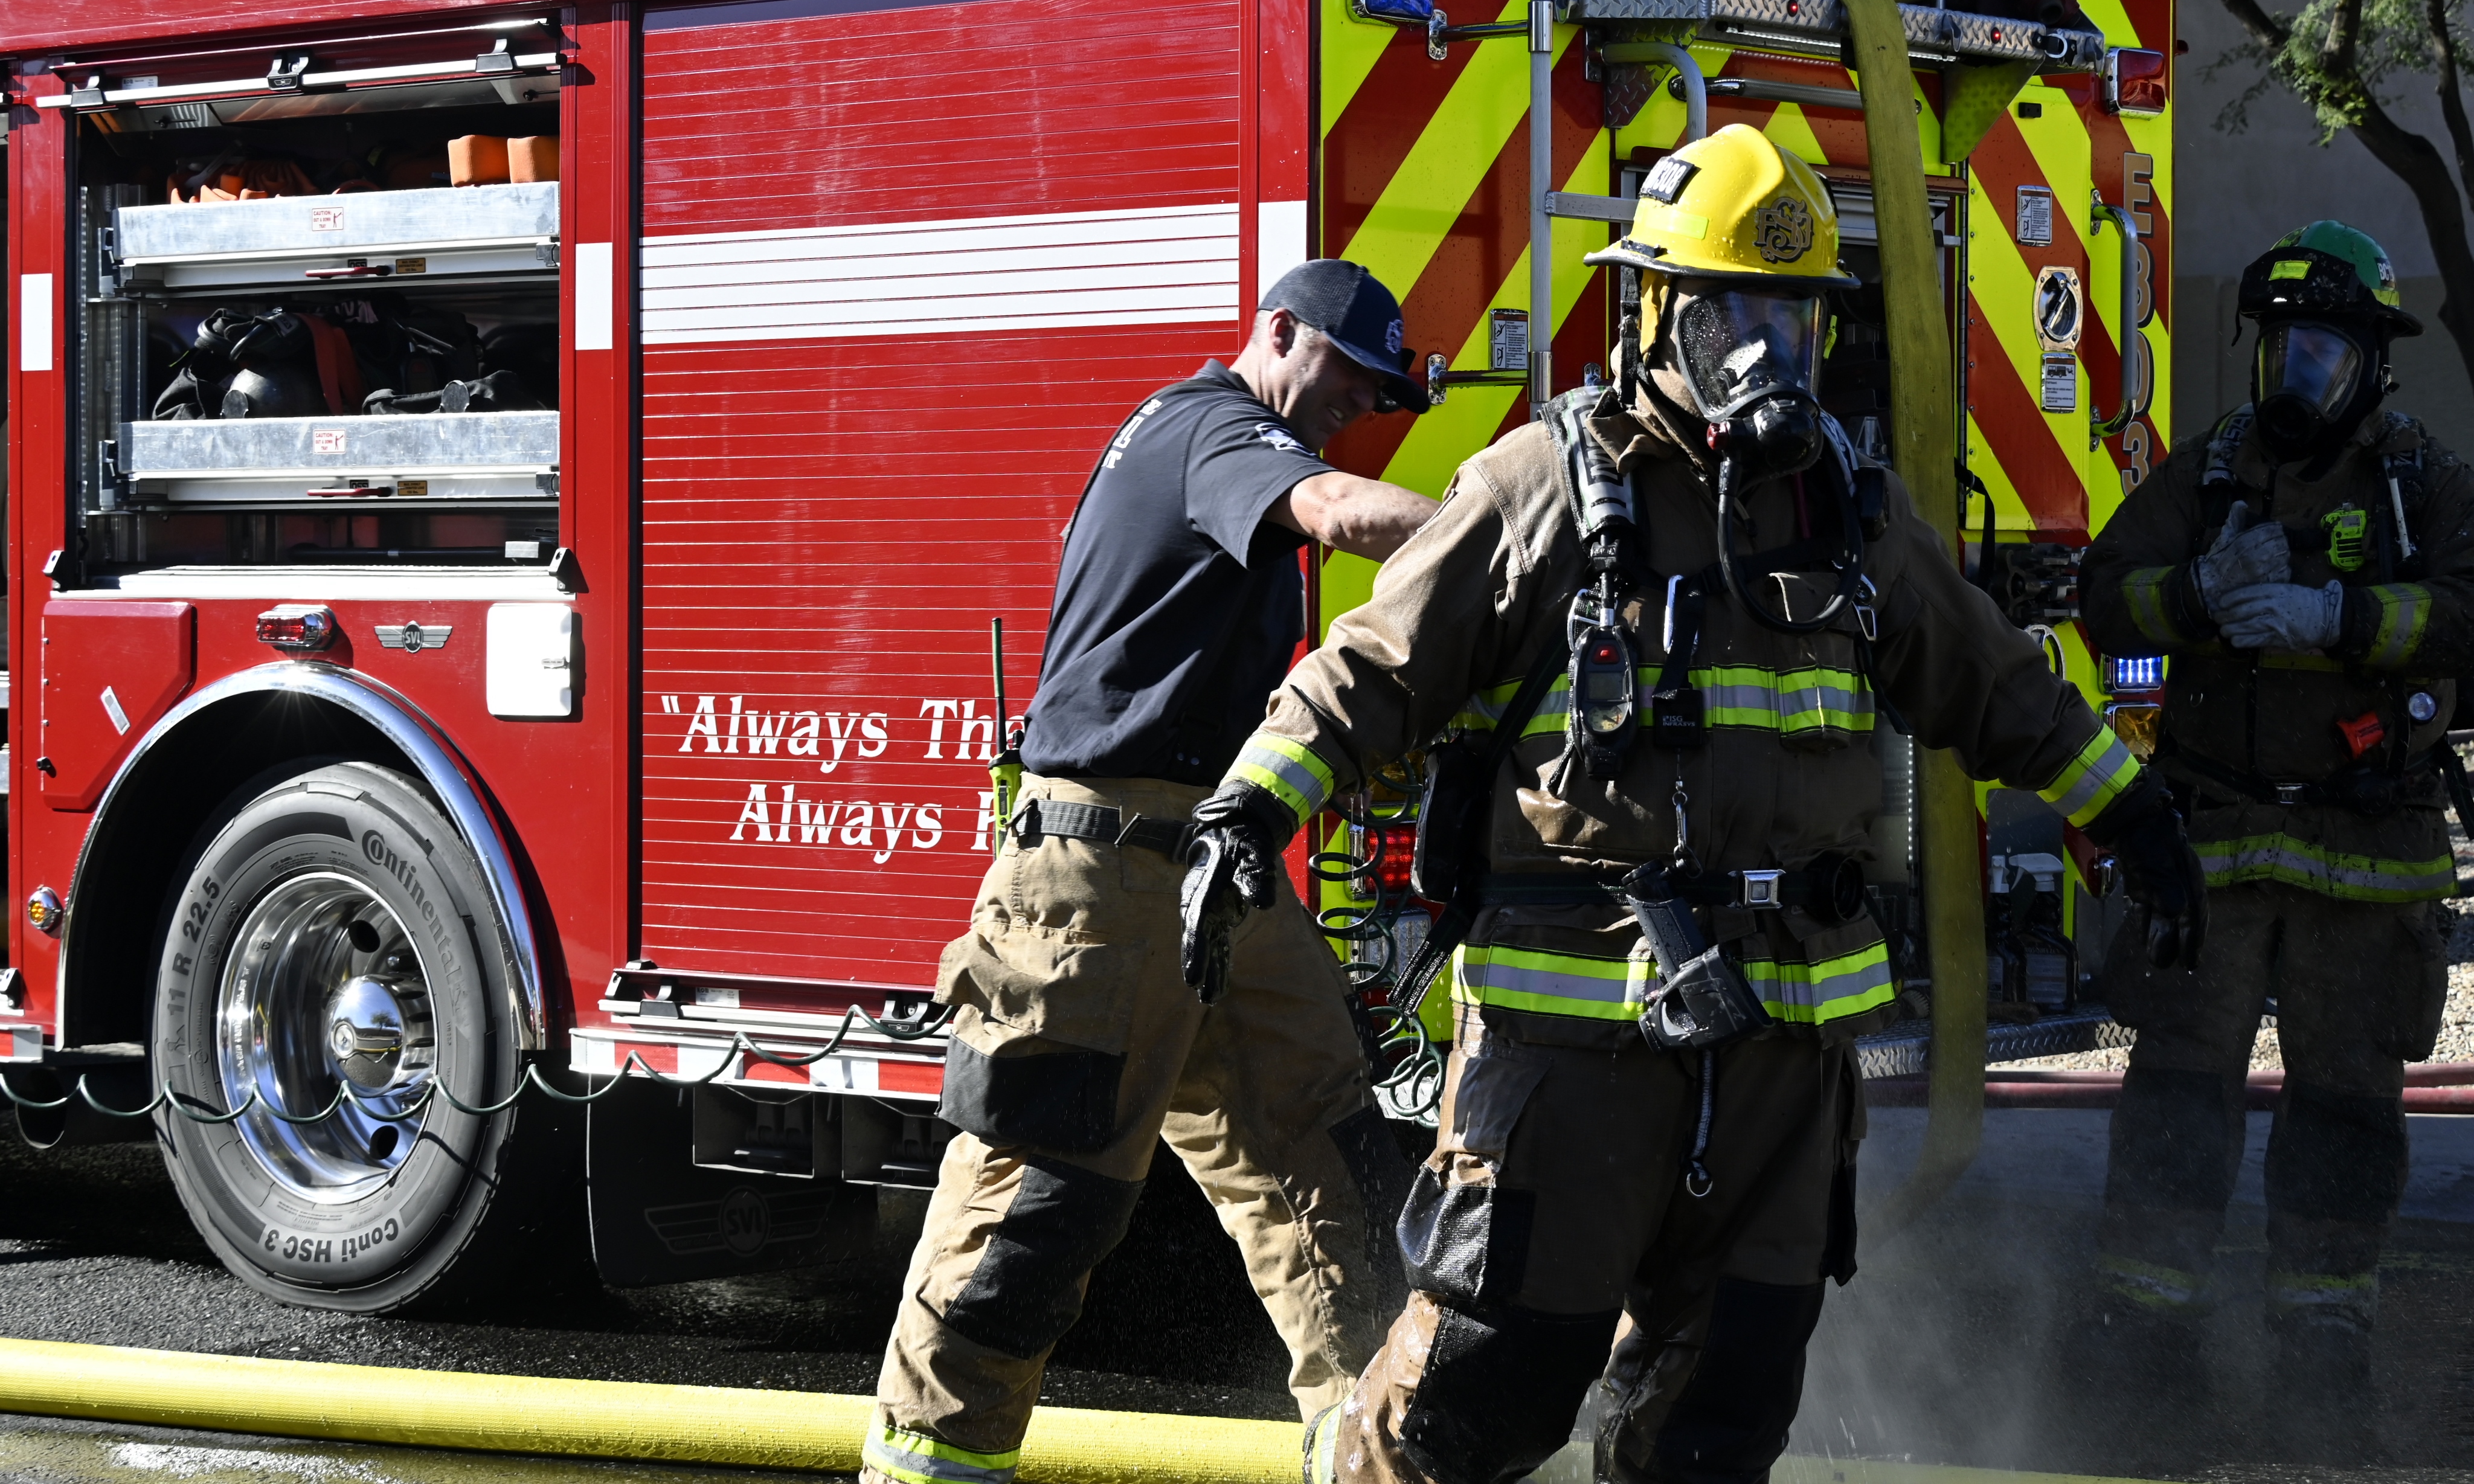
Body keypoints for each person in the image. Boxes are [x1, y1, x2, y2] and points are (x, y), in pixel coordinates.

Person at [1177, 124, 2208, 1484]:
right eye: (1731, 314)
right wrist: (1249, 814)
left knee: (1720, 1427)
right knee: (1473, 1409)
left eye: (1790, 318)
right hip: (1573, 1061)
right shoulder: (1541, 489)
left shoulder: (1850, 516)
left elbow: (1999, 683)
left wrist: (2133, 817)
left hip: (1783, 1069)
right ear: (1654, 312)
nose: (1765, 351)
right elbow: (1370, 672)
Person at [861, 260, 1441, 1484]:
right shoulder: (1210, 428)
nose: (1361, 405)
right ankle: (922, 1468)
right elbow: (1339, 511)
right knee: (1032, 1210)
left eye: (1381, 392)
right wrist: (1510, 533)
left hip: (1218, 865)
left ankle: (1373, 1461)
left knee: (1327, 1169)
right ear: (1275, 331)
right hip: (1097, 876)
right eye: (1348, 374)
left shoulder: (1214, 438)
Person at [2077, 222, 2469, 1452]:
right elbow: (2102, 595)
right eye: (2285, 348)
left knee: (2345, 1111)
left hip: (2367, 854)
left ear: (2370, 363)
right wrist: (2195, 595)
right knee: (2176, 1102)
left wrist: (2338, 615)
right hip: (2218, 848)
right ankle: (2144, 1345)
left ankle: (2321, 1348)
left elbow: (2471, 610)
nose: (2300, 374)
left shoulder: (2420, 481)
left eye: (2325, 354)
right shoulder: (2205, 475)